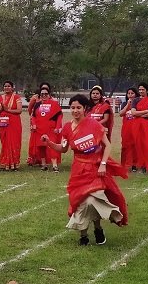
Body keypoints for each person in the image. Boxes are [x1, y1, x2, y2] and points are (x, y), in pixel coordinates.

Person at [41, 94, 128, 245]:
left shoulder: (94, 125)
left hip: (95, 169)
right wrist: (49, 142)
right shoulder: (67, 128)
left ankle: (98, 227)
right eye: (73, 107)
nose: (75, 110)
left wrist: (103, 164)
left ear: (84, 108)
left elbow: (107, 145)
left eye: (78, 107)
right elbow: (63, 148)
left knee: (94, 199)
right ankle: (83, 235)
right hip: (78, 170)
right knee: (80, 202)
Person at [30, 87, 63, 171]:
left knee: (52, 147)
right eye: (42, 94)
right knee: (41, 147)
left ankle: (54, 165)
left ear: (49, 95)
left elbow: (59, 116)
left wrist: (57, 127)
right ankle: (43, 165)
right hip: (39, 129)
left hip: (50, 129)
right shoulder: (37, 104)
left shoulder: (54, 104)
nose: (44, 95)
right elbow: (33, 116)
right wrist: (33, 125)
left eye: (46, 94)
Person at [130, 82, 148, 173]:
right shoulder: (135, 100)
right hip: (137, 126)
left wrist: (140, 114)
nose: (141, 91)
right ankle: (143, 166)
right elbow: (133, 113)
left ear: (147, 90)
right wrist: (146, 111)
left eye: (143, 89)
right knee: (139, 144)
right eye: (139, 90)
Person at [0, 80, 23, 171]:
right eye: (5, 86)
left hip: (14, 122)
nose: (7, 88)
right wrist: (2, 108)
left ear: (12, 88)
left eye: (9, 86)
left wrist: (7, 110)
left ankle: (14, 164)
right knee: (5, 143)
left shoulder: (16, 97)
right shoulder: (0, 98)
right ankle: (4, 164)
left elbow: (19, 111)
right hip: (3, 123)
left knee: (14, 142)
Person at [26, 82, 51, 165]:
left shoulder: (51, 99)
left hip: (47, 124)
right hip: (35, 122)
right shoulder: (35, 98)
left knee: (46, 141)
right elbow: (30, 109)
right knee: (34, 141)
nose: (44, 92)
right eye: (43, 88)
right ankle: (34, 158)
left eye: (46, 89)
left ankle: (44, 159)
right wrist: (33, 119)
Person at [118, 87, 140, 171]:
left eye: (132, 93)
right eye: (129, 93)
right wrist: (128, 105)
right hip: (126, 128)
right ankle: (123, 164)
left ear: (136, 94)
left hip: (136, 128)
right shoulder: (124, 104)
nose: (130, 95)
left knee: (135, 146)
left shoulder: (139, 104)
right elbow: (121, 114)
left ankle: (134, 164)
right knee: (125, 146)